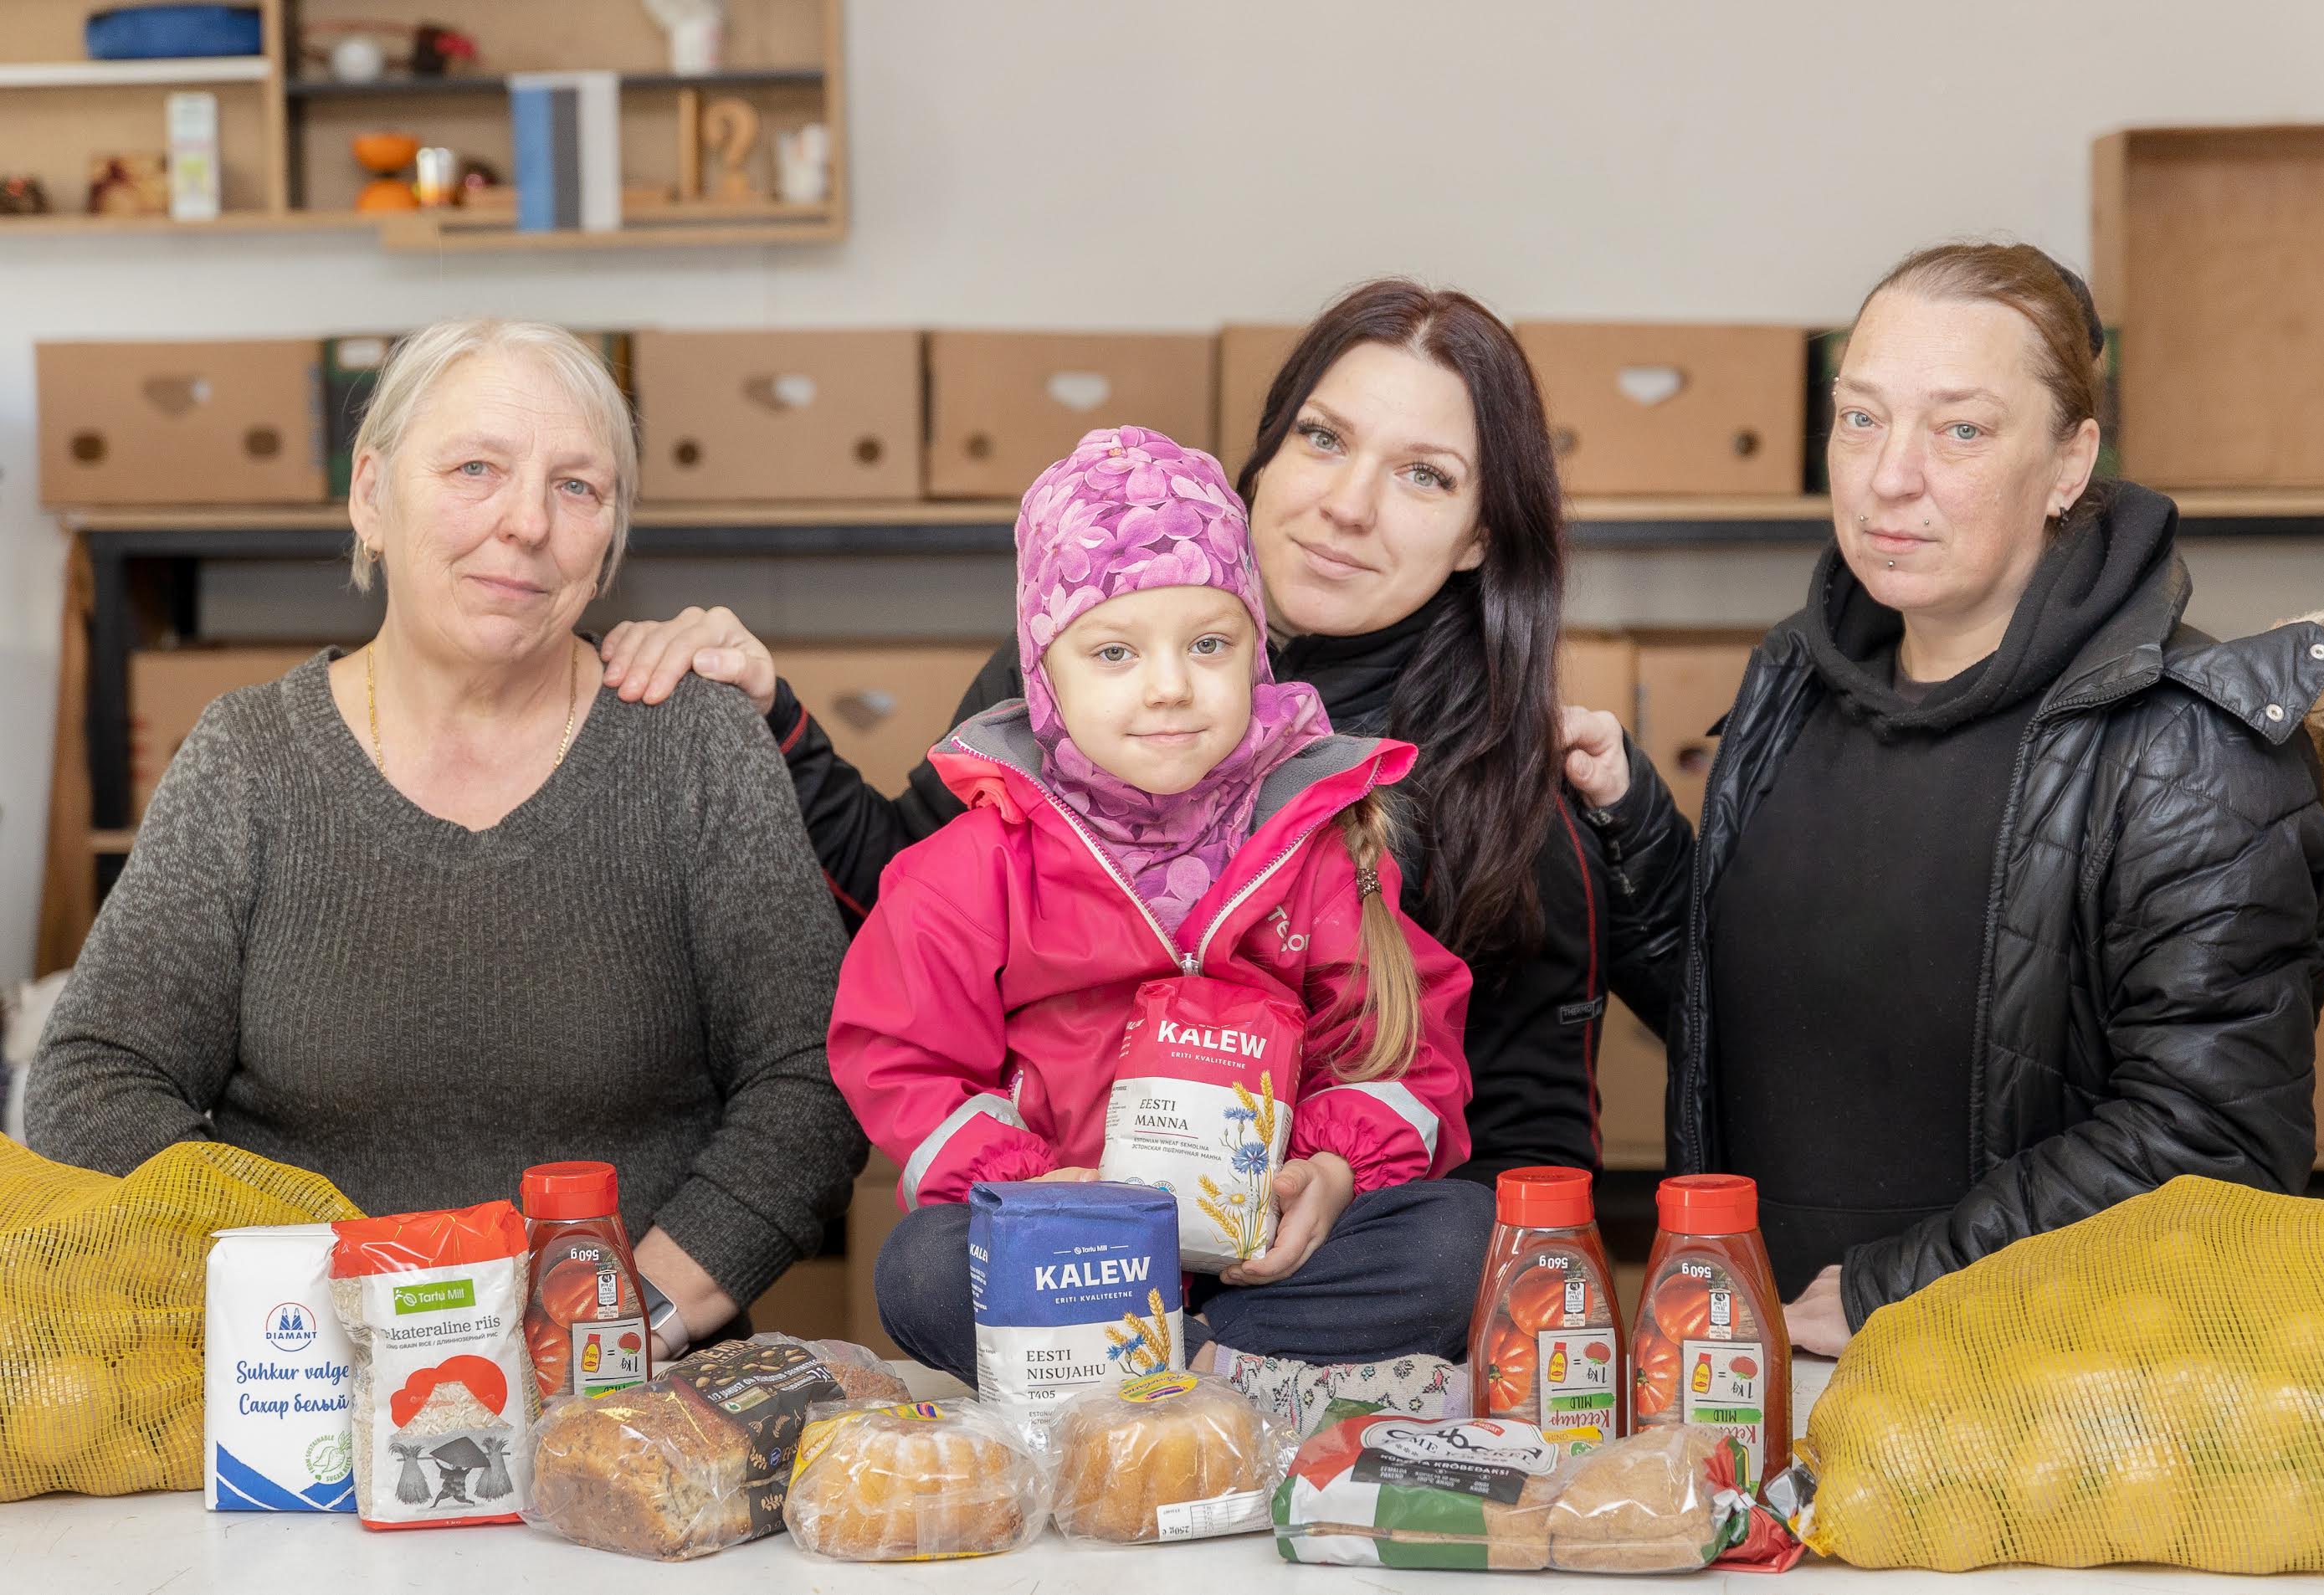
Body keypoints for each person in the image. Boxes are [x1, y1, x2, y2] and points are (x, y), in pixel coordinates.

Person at [600, 280, 1696, 1185]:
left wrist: (1344, 1207)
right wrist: (770, 721)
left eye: (1423, 474)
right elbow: (913, 890)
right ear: (1262, 456)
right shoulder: (1083, 660)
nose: (1346, 503)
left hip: (1336, 1250)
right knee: (927, 1266)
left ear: (1476, 538)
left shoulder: (1505, 780)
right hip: (1075, 1227)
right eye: (1322, 438)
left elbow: (1528, 1148)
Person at [28, 318, 866, 1357]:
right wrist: (329, 1306)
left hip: (626, 1396)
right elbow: (92, 1081)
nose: (525, 523)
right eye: (477, 467)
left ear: (608, 544)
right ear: (371, 495)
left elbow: (814, 1081)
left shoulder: (696, 746)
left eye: (577, 488)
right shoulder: (250, 758)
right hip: (310, 1395)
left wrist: (623, 1321)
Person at [1649, 244, 2324, 1354]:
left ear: (2067, 461)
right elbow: (1768, 1013)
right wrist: (1623, 830)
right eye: (1859, 418)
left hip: (2025, 1410)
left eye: (1959, 429)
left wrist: (1893, 1289)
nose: (1889, 475)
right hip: (1760, 1375)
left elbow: (2212, 1140)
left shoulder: (2183, 744)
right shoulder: (1790, 682)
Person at [832, 426, 1489, 1394]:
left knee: (1464, 1239)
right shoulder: (973, 867)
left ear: (1255, 652)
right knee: (922, 1268)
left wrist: (1332, 1173)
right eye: (1113, 652)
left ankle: (1168, 1368)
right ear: (1044, 677)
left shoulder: (1317, 839)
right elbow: (897, 1054)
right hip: (1071, 1249)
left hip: (1267, 1249)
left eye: (1210, 643)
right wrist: (1021, 1182)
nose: (1172, 685)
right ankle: (1234, 1375)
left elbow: (1400, 1044)